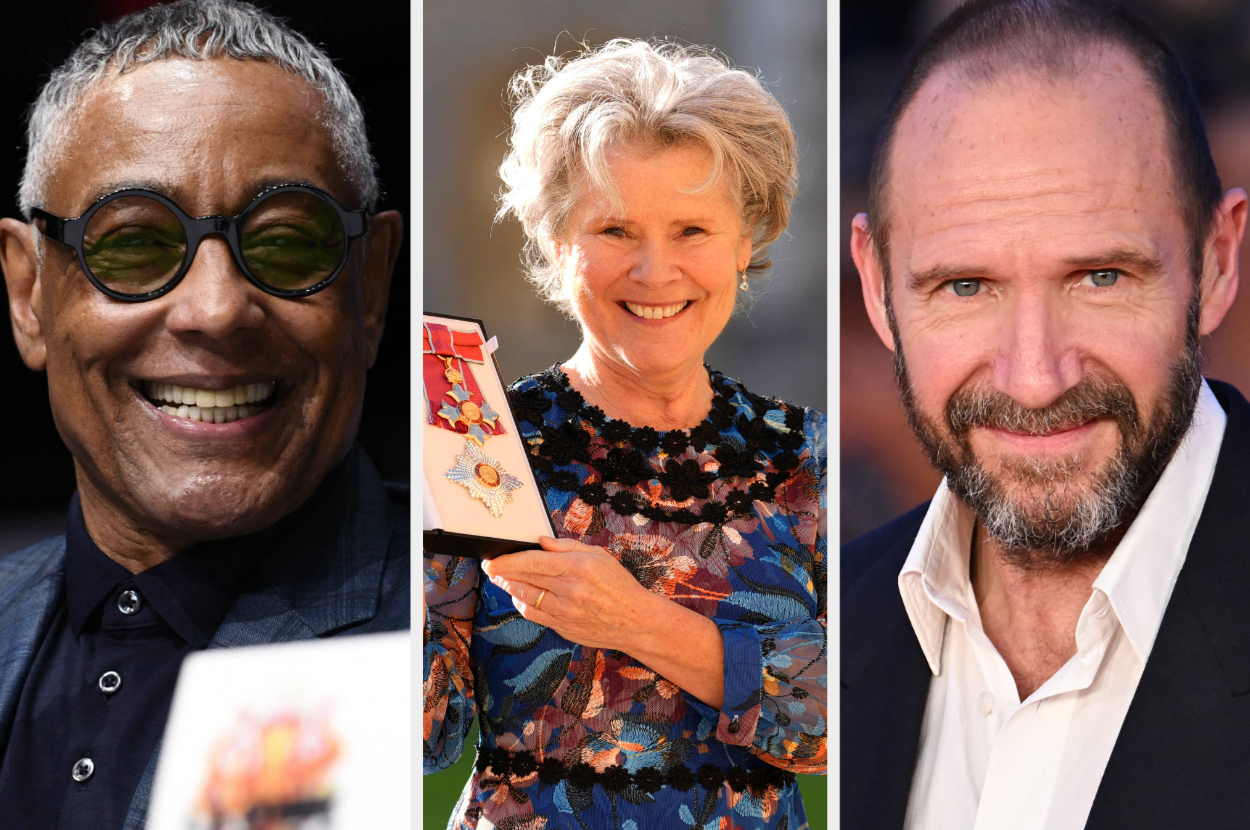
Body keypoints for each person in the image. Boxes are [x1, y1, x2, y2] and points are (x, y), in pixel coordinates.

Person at [842, 0, 1250, 828]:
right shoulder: (825, 624)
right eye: (965, 286)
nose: (1034, 378)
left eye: (1101, 277)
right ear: (878, 289)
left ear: (1216, 262)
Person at [0, 2, 407, 827]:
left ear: (370, 290)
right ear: (29, 295)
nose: (216, 309)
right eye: (134, 245)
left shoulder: (480, 630)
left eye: (288, 242)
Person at [423, 39, 827, 830]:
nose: (654, 271)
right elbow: (425, 740)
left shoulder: (809, 459)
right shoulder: (485, 448)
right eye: (614, 230)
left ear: (745, 243)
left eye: (691, 231)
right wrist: (413, 518)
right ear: (554, 241)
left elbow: (840, 719)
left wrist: (635, 621)